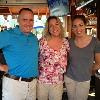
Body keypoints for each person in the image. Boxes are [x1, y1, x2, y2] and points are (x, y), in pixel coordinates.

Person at [0, 8, 39, 100]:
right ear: (18, 20)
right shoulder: (8, 35)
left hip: (32, 84)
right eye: (24, 19)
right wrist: (1, 66)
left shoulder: (34, 38)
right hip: (14, 85)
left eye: (31, 20)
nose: (28, 23)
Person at [64, 15, 100, 100]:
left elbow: (98, 63)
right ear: (72, 28)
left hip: (84, 79)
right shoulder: (69, 42)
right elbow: (66, 60)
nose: (78, 29)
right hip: (69, 78)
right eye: (75, 26)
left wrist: (88, 71)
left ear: (85, 25)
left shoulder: (95, 42)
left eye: (81, 25)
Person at [37, 16, 70, 100]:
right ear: (48, 28)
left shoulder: (65, 42)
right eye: (51, 25)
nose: (54, 27)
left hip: (57, 83)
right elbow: (34, 58)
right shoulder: (42, 41)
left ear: (60, 26)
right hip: (42, 82)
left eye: (56, 24)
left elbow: (69, 59)